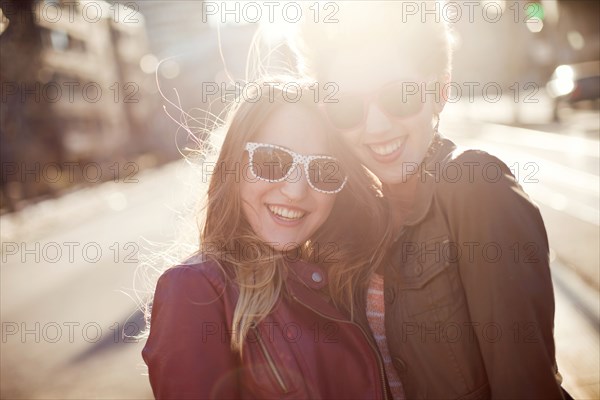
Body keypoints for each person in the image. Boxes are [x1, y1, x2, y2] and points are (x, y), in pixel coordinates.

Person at [290, 2, 567, 399]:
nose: (376, 126)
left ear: (439, 90)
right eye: (347, 107)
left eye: (399, 97)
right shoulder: (347, 219)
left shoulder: (475, 188)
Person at [141, 78, 393, 399]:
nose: (296, 190)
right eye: (272, 162)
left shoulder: (340, 279)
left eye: (322, 170)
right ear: (234, 164)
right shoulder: (194, 290)